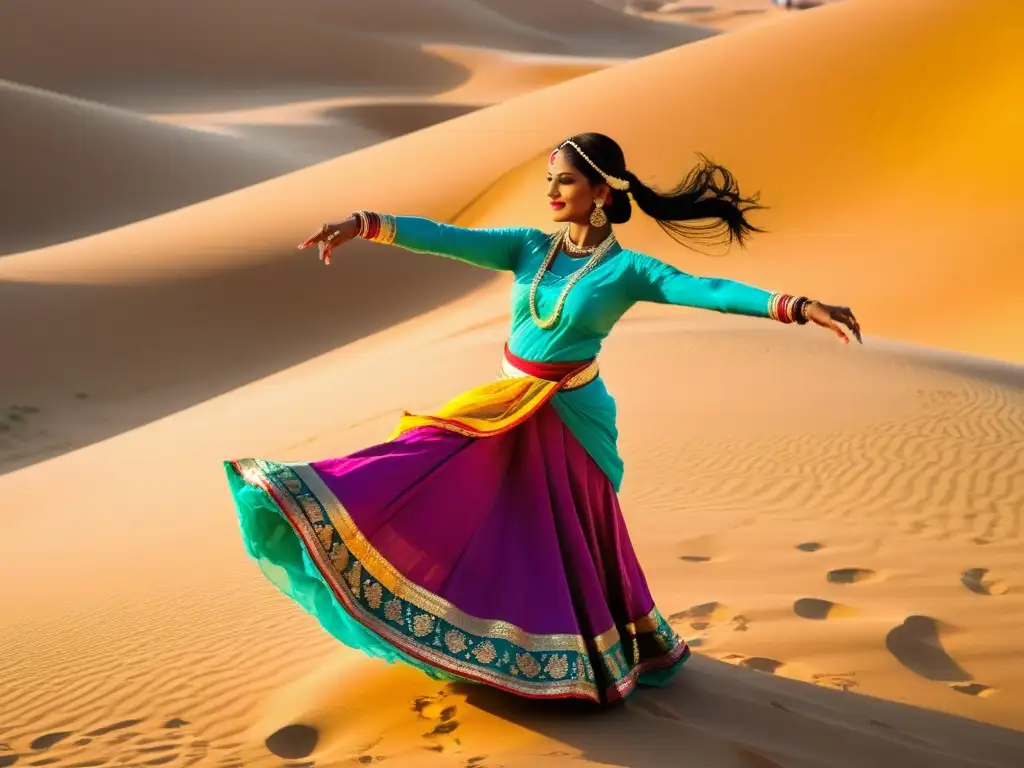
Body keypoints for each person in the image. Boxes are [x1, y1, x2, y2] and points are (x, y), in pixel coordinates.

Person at [223, 132, 861, 705]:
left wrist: (800, 306)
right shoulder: (528, 248)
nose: (553, 192)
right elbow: (445, 238)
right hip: (504, 406)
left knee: (559, 539)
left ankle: (580, 657)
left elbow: (712, 293)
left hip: (570, 418)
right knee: (429, 474)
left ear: (602, 191)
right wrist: (364, 224)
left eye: (566, 180)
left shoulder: (627, 270)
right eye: (549, 179)